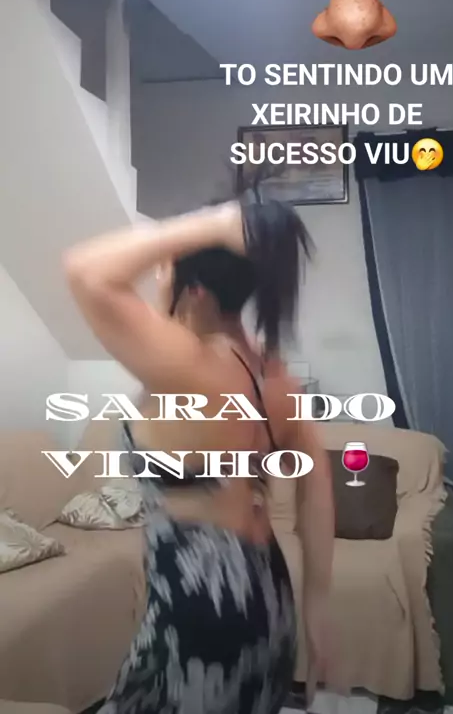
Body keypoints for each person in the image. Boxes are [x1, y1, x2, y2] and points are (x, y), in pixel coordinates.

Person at [63, 193, 335, 714]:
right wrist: (317, 602)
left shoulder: (189, 365)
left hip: (204, 604)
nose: (156, 279)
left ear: (195, 288)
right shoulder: (274, 373)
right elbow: (317, 480)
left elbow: (85, 270)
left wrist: (213, 222)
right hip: (266, 591)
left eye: (165, 270)